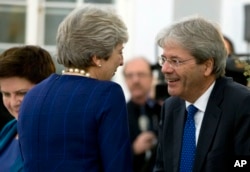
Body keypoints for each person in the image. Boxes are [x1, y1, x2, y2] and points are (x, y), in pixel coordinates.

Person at [18, 6, 133, 172]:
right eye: (119, 52)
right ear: (97, 57)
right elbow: (118, 165)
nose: (121, 61)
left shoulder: (33, 94)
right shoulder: (107, 94)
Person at [153, 16, 250, 172]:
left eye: (175, 61)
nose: (165, 69)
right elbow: (161, 166)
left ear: (207, 66)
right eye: (164, 59)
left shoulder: (241, 104)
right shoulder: (171, 107)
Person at [0, 45, 56, 171]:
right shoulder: (10, 128)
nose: (13, 102)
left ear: (46, 88)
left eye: (22, 93)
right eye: (6, 94)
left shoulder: (58, 137)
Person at [123, 57, 161, 172]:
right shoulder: (119, 115)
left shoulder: (164, 110)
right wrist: (133, 150)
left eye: (141, 74)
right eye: (130, 75)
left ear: (151, 77)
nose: (135, 80)